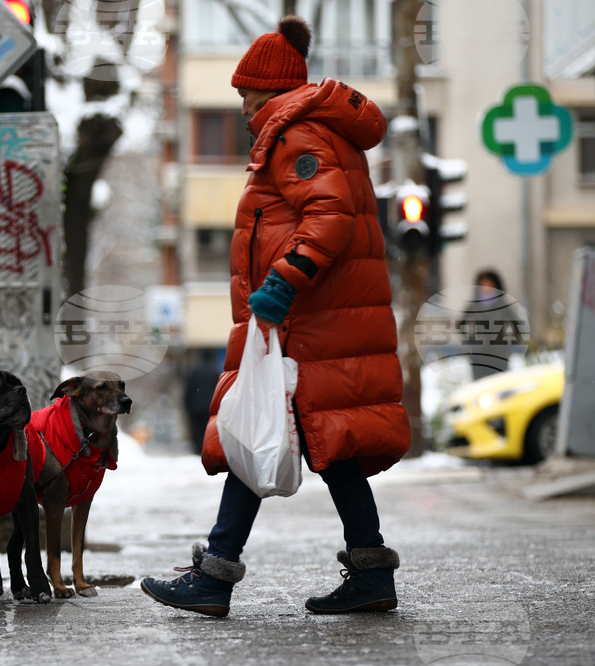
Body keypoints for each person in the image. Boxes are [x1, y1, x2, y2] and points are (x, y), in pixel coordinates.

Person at [141, 16, 411, 618]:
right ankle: (368, 573)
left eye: (244, 93)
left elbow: (330, 214)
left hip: (307, 327)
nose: (241, 105)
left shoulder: (298, 137)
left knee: (252, 435)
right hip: (320, 326)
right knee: (313, 443)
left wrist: (282, 283)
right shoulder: (308, 134)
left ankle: (214, 578)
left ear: (269, 89)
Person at [464, 269, 511, 380]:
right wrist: (471, 340)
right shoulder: (474, 305)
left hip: (499, 355)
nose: (486, 287)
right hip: (478, 356)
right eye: (483, 284)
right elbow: (461, 324)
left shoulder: (503, 305)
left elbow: (515, 324)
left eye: (489, 283)